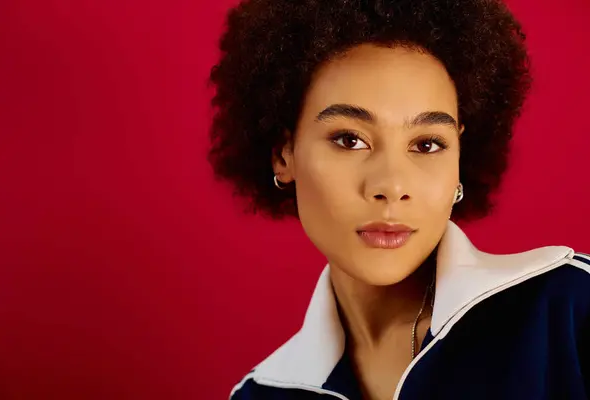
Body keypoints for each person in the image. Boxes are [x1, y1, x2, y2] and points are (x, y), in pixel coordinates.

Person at [207, 0, 590, 398]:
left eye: (426, 144)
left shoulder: (568, 311)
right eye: (349, 140)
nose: (391, 185)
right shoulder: (263, 394)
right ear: (284, 155)